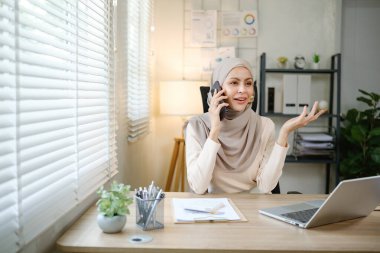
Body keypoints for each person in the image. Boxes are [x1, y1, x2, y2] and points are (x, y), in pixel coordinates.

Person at [185, 58, 326, 194]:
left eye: (248, 83)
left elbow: (266, 187)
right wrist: (215, 130)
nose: (243, 90)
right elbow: (199, 187)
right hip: (215, 211)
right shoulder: (196, 126)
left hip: (254, 209)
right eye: (234, 83)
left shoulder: (264, 125)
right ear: (217, 89)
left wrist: (284, 132)